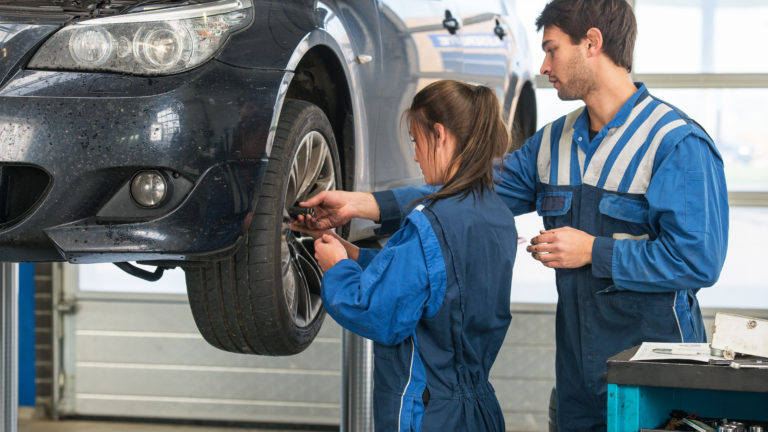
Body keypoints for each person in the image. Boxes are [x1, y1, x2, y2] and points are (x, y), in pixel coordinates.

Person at [296, 0, 730, 430]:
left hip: (653, 376)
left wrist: (592, 251)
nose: (543, 66)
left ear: (592, 43)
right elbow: (467, 191)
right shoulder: (553, 143)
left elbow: (697, 259)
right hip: (579, 379)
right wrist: (365, 205)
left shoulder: (675, 144)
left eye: (552, 49)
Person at [293, 80, 519, 431]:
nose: (415, 154)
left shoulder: (432, 221)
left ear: (440, 135)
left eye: (416, 140)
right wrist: (349, 253)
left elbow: (378, 313)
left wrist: (337, 269)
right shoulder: (496, 215)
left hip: (425, 411)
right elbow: (433, 283)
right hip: (479, 409)